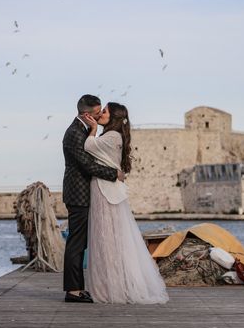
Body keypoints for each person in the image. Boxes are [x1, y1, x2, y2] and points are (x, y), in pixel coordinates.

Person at [81, 102, 168, 304]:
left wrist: (92, 129)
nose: (100, 114)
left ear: (114, 117)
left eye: (104, 112)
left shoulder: (112, 136)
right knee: (108, 239)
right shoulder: (113, 136)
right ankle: (111, 285)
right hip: (105, 189)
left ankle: (111, 288)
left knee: (106, 239)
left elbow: (88, 146)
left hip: (105, 191)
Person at [62, 94, 124, 303]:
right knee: (76, 243)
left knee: (81, 244)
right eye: (98, 113)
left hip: (83, 194)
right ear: (87, 114)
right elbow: (87, 164)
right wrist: (113, 174)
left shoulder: (83, 130)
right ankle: (73, 291)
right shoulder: (74, 133)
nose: (99, 117)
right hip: (78, 195)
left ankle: (78, 287)